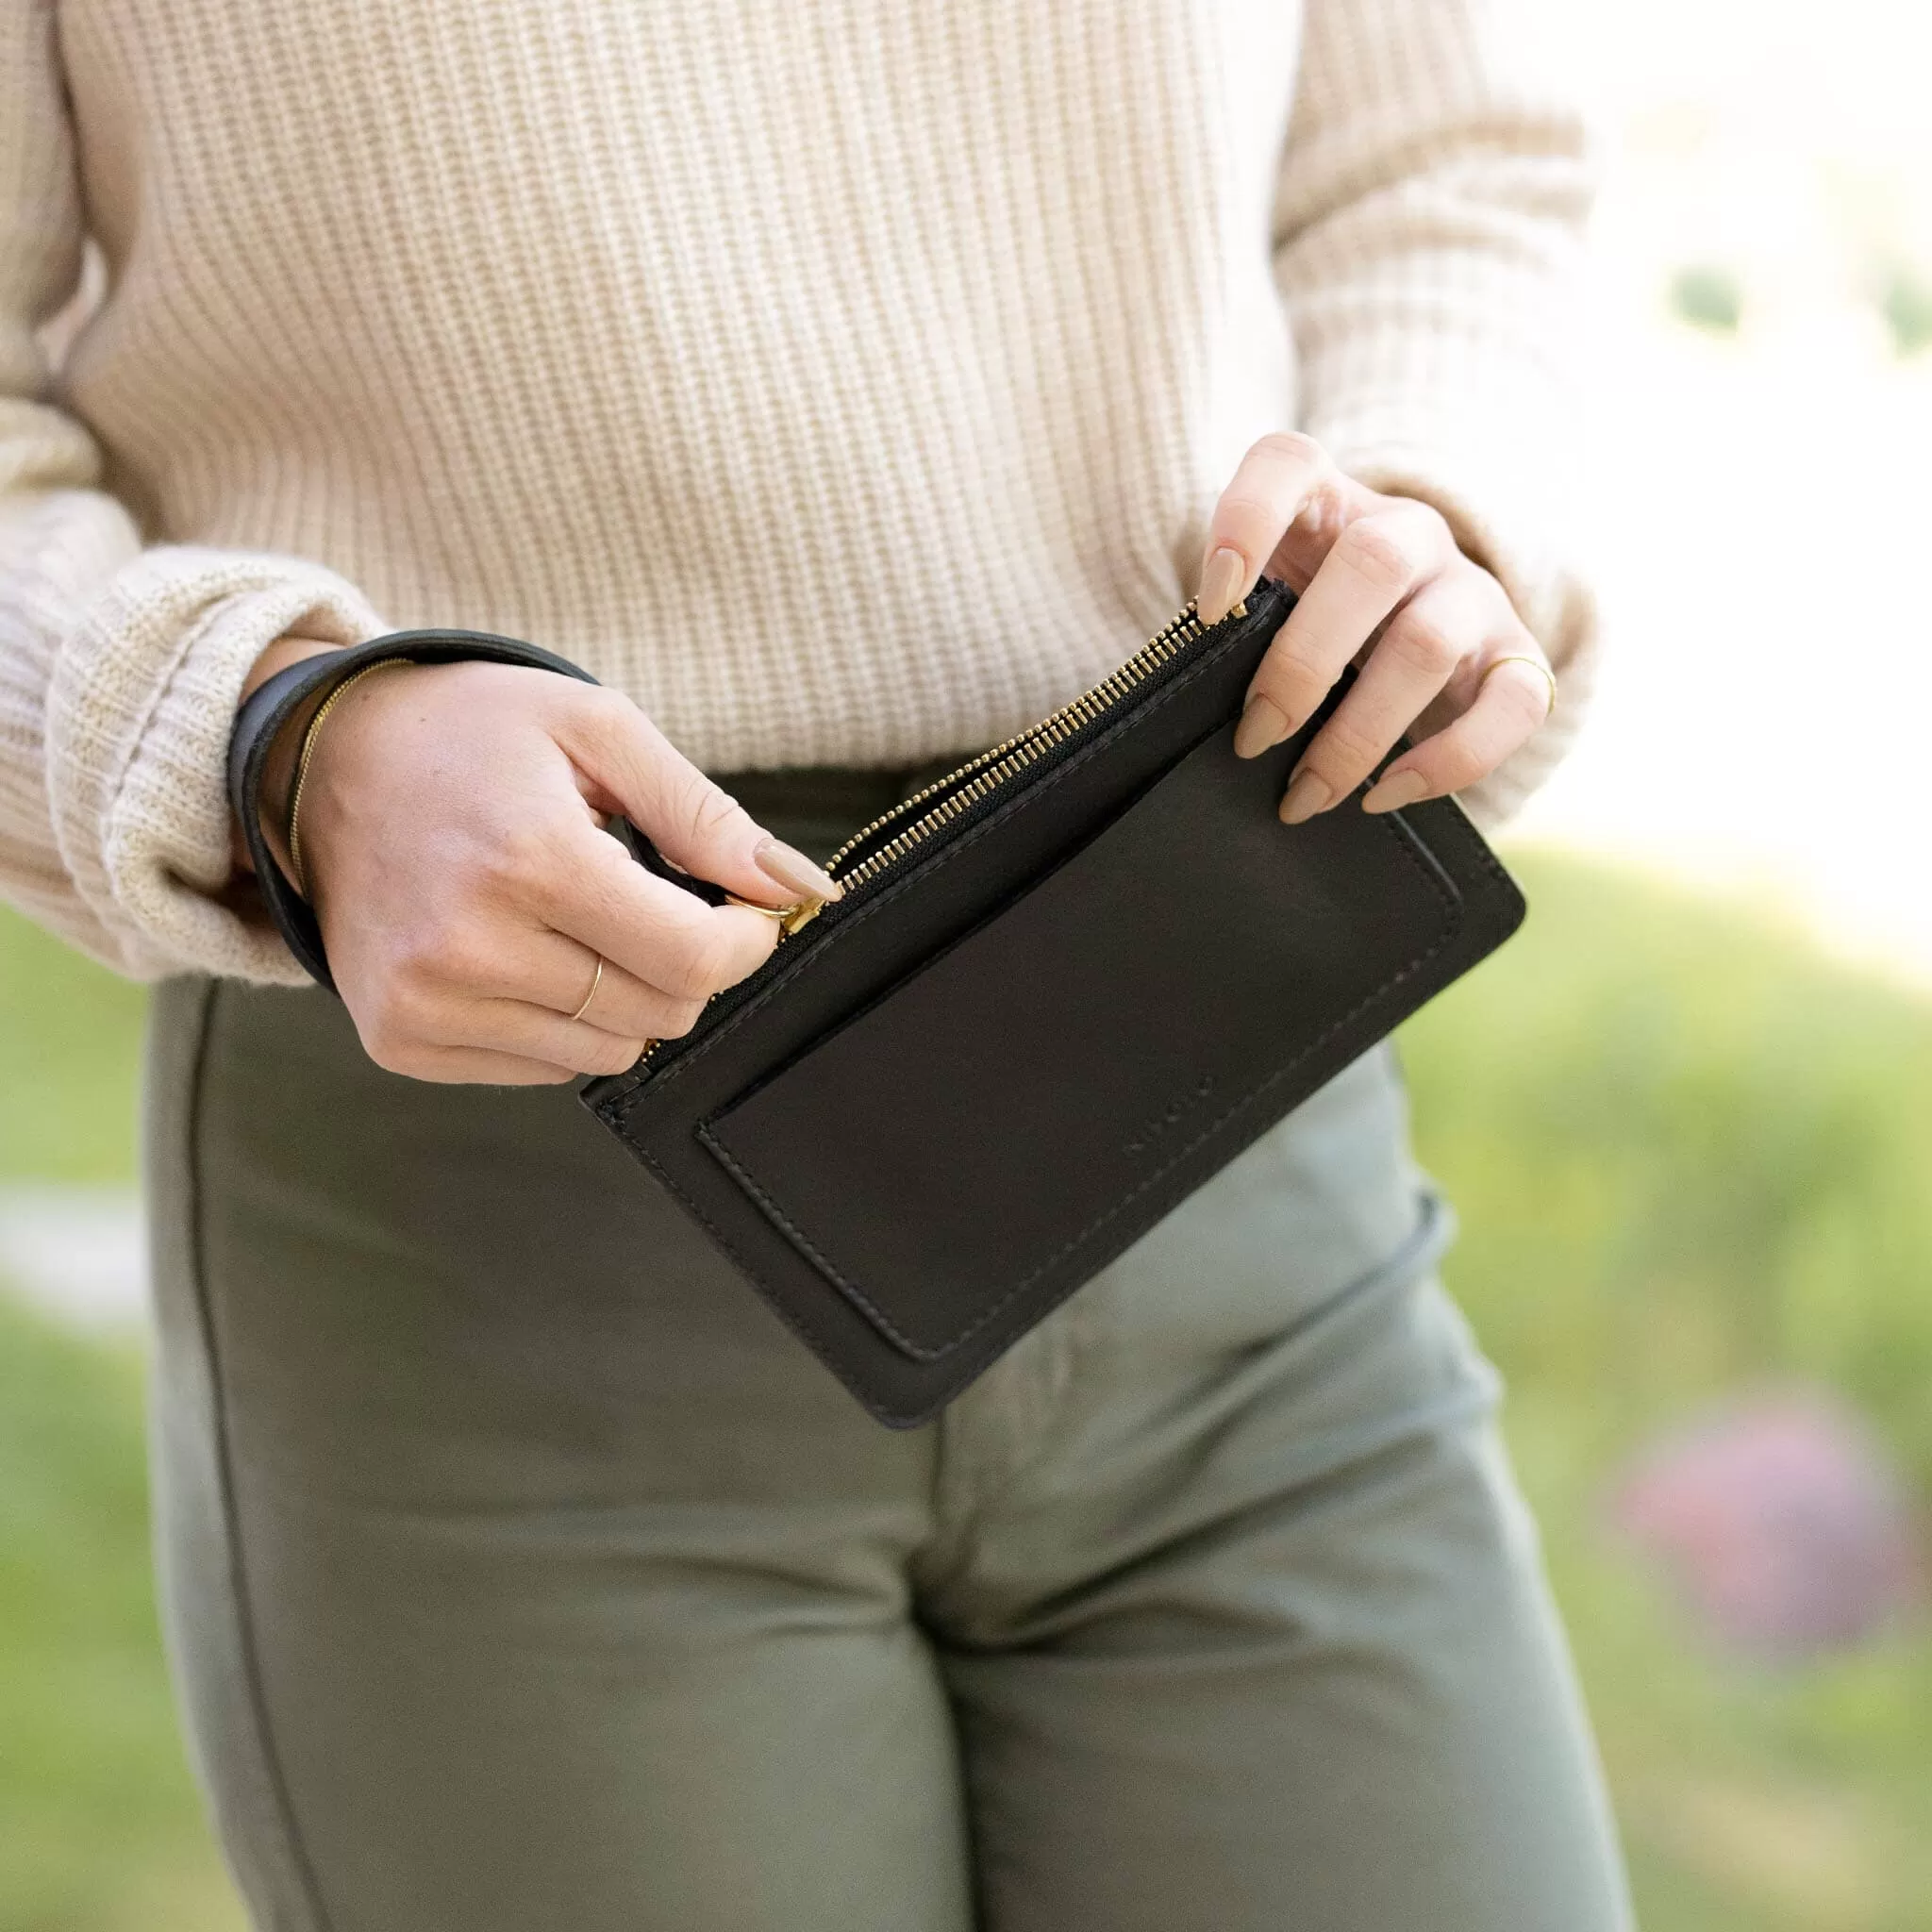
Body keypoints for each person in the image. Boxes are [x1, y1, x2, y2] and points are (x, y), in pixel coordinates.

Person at [0, 2, 1630, 1926]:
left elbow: (1449, 174)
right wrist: (262, 735)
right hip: (514, 1227)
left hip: (1232, 1135)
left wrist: (1434, 512)